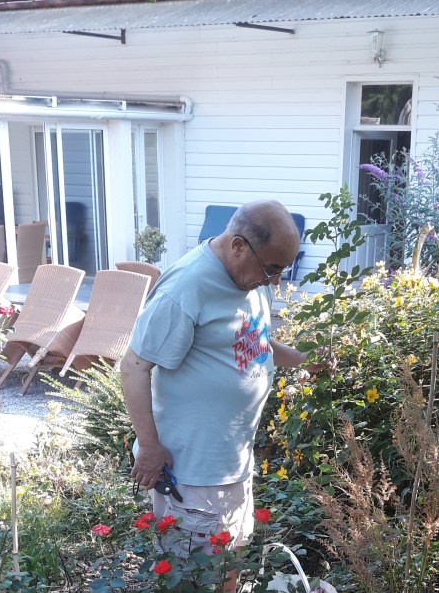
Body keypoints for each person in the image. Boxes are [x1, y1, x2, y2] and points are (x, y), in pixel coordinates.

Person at [119, 200, 313, 573]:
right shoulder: (187, 287)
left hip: (232, 464)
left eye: (282, 270)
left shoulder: (249, 278)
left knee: (228, 567)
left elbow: (255, 343)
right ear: (238, 245)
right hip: (191, 474)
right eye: (272, 269)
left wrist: (305, 358)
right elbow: (134, 367)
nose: (276, 281)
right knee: (191, 585)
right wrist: (149, 446)